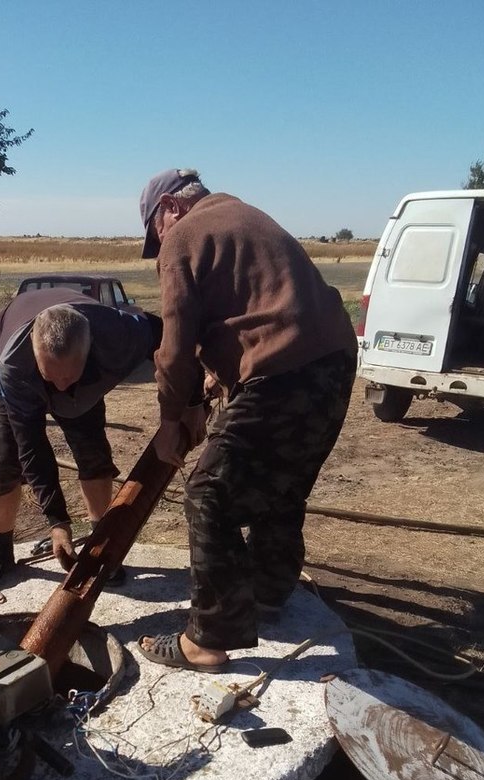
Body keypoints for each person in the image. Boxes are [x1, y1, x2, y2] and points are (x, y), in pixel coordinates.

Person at [136, 169, 358, 672]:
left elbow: (173, 352)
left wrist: (173, 418)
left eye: (154, 233)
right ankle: (266, 594)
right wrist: (223, 376)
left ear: (169, 207)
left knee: (208, 493)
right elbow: (263, 306)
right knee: (282, 487)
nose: (159, 245)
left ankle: (209, 638)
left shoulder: (184, 237)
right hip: (336, 362)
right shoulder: (247, 217)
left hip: (282, 373)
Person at [0, 287, 161, 589]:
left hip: (86, 373)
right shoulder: (15, 367)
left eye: (68, 377)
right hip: (10, 369)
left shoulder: (121, 334)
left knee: (93, 454)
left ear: (88, 352)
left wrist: (187, 403)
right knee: (6, 460)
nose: (60, 387)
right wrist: (57, 522)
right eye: (52, 377)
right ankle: (2, 548)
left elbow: (169, 336)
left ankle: (101, 544)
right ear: (36, 355)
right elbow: (32, 447)